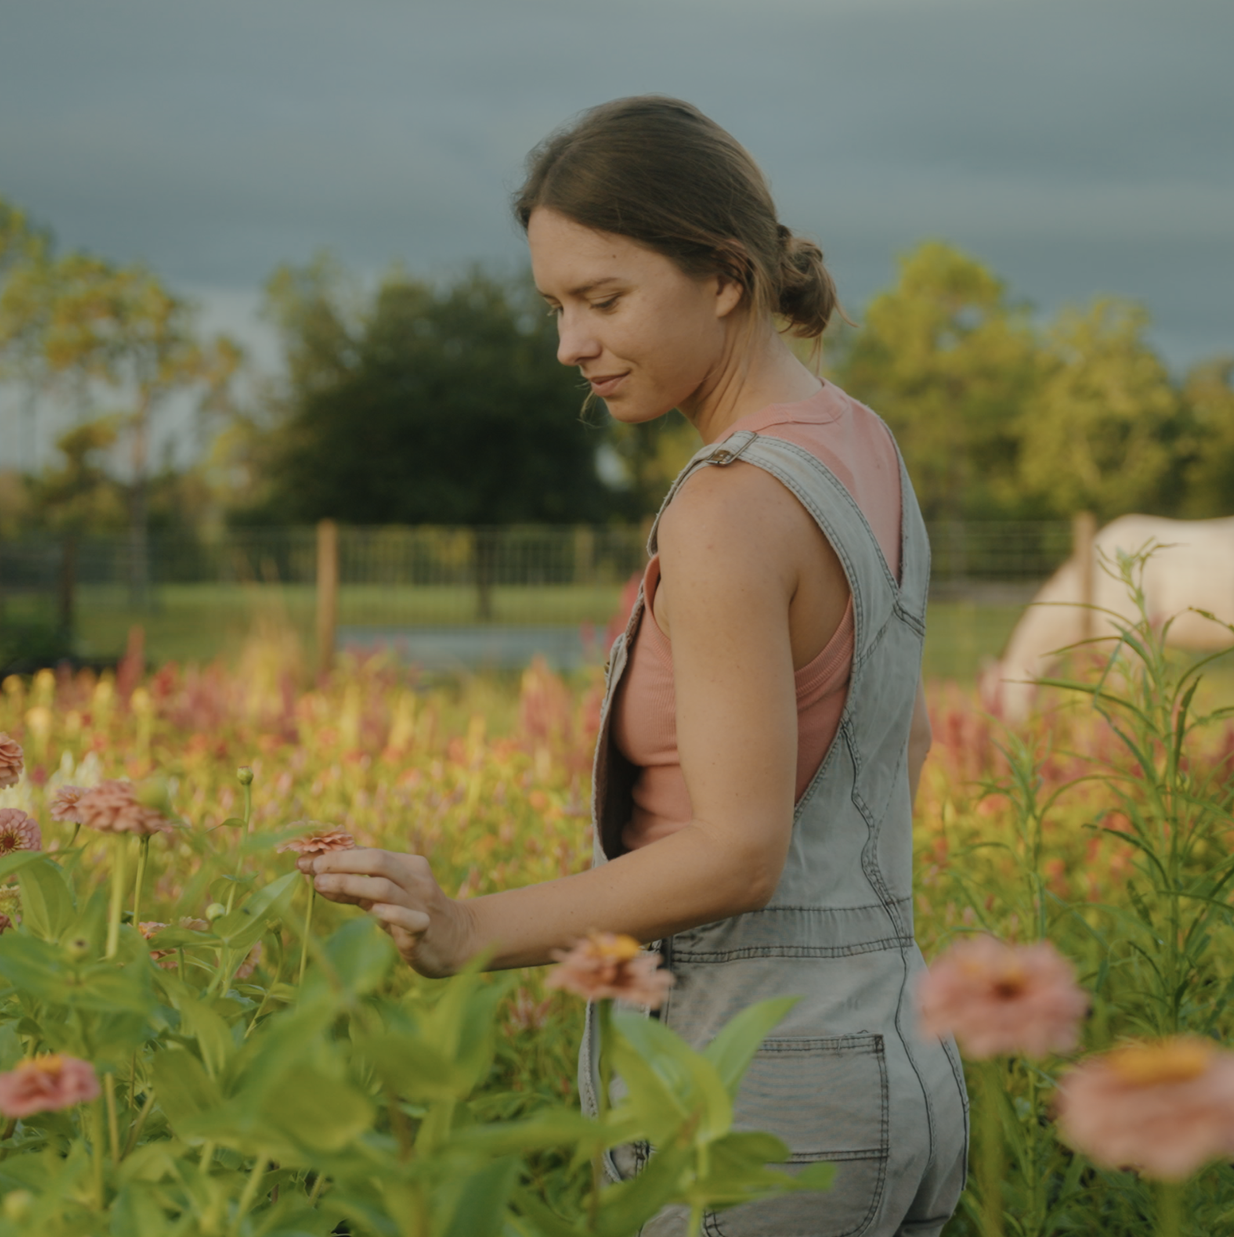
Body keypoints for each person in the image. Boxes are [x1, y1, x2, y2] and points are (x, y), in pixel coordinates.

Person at [299, 95, 966, 1236]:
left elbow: (739, 851)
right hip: (899, 1060)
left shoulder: (724, 509)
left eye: (604, 300)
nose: (569, 344)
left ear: (721, 276)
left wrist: (463, 931)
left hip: (753, 1090)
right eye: (555, 305)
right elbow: (896, 737)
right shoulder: (859, 443)